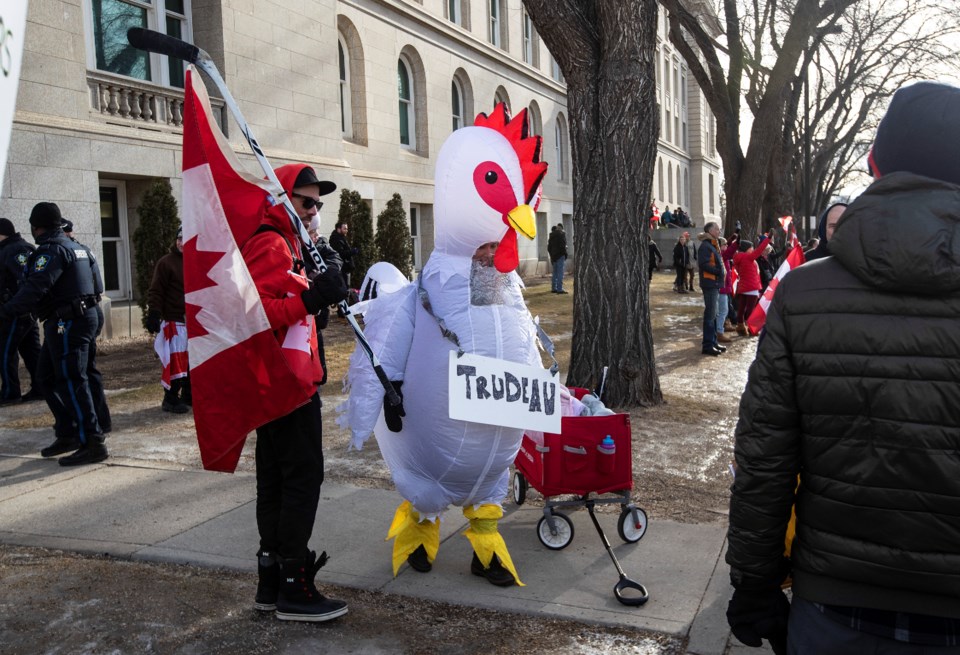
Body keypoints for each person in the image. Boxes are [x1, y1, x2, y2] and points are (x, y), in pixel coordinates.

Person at [726, 81, 960, 654]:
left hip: (834, 604)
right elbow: (766, 451)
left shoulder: (803, 294)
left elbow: (764, 456)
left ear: (875, 163)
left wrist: (755, 580)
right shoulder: (802, 291)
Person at [244, 164, 349, 623]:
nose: (314, 211)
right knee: (301, 479)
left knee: (277, 480)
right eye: (307, 202)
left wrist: (318, 298)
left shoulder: (291, 243)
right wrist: (311, 300)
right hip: (284, 384)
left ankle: (271, 581)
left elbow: (294, 307)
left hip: (282, 380)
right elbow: (259, 313)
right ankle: (293, 585)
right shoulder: (271, 241)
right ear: (284, 200)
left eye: (319, 204)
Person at [0, 203, 109, 465]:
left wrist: (6, 311)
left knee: (72, 379)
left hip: (69, 321)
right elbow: (98, 285)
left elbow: (34, 288)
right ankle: (68, 431)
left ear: (37, 227)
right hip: (77, 317)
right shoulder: (78, 248)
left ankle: (92, 441)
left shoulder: (52, 251)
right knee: (46, 377)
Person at [146, 227, 190, 414]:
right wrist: (154, 313)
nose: (181, 242)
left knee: (191, 364)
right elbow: (156, 290)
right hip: (174, 322)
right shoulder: (166, 263)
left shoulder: (197, 261)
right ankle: (170, 399)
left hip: (193, 322)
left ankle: (189, 395)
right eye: (179, 238)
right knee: (175, 363)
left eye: (185, 239)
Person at [0, 218, 43, 405]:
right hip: (22, 310)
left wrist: (11, 306)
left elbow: (26, 280)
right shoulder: (13, 248)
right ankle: (41, 387)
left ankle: (10, 393)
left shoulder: (16, 249)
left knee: (5, 351)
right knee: (31, 350)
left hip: (16, 311)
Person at [731, 235, 769, 336]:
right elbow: (760, 250)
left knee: (741, 309)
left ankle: (740, 327)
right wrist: (767, 239)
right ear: (747, 249)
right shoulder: (748, 257)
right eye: (751, 247)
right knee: (750, 310)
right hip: (752, 288)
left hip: (743, 287)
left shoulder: (738, 257)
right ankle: (751, 328)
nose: (753, 249)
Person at [697, 222, 725, 356]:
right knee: (710, 314)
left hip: (714, 283)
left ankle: (713, 342)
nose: (719, 231)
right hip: (710, 283)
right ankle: (707, 345)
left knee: (713, 314)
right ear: (710, 230)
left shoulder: (713, 244)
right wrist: (718, 271)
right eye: (717, 229)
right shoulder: (706, 246)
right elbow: (703, 264)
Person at [328, 221, 355, 288]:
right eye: (344, 229)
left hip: (345, 268)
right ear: (338, 229)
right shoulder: (336, 239)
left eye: (347, 229)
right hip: (341, 268)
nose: (346, 230)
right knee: (344, 287)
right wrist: (352, 252)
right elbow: (341, 254)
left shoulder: (342, 238)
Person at [547, 222, 568, 293]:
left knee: (555, 273)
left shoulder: (551, 235)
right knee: (560, 273)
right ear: (561, 228)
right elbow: (563, 246)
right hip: (560, 255)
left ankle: (554, 288)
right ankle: (559, 289)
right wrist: (565, 254)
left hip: (553, 256)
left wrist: (552, 255)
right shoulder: (561, 235)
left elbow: (549, 248)